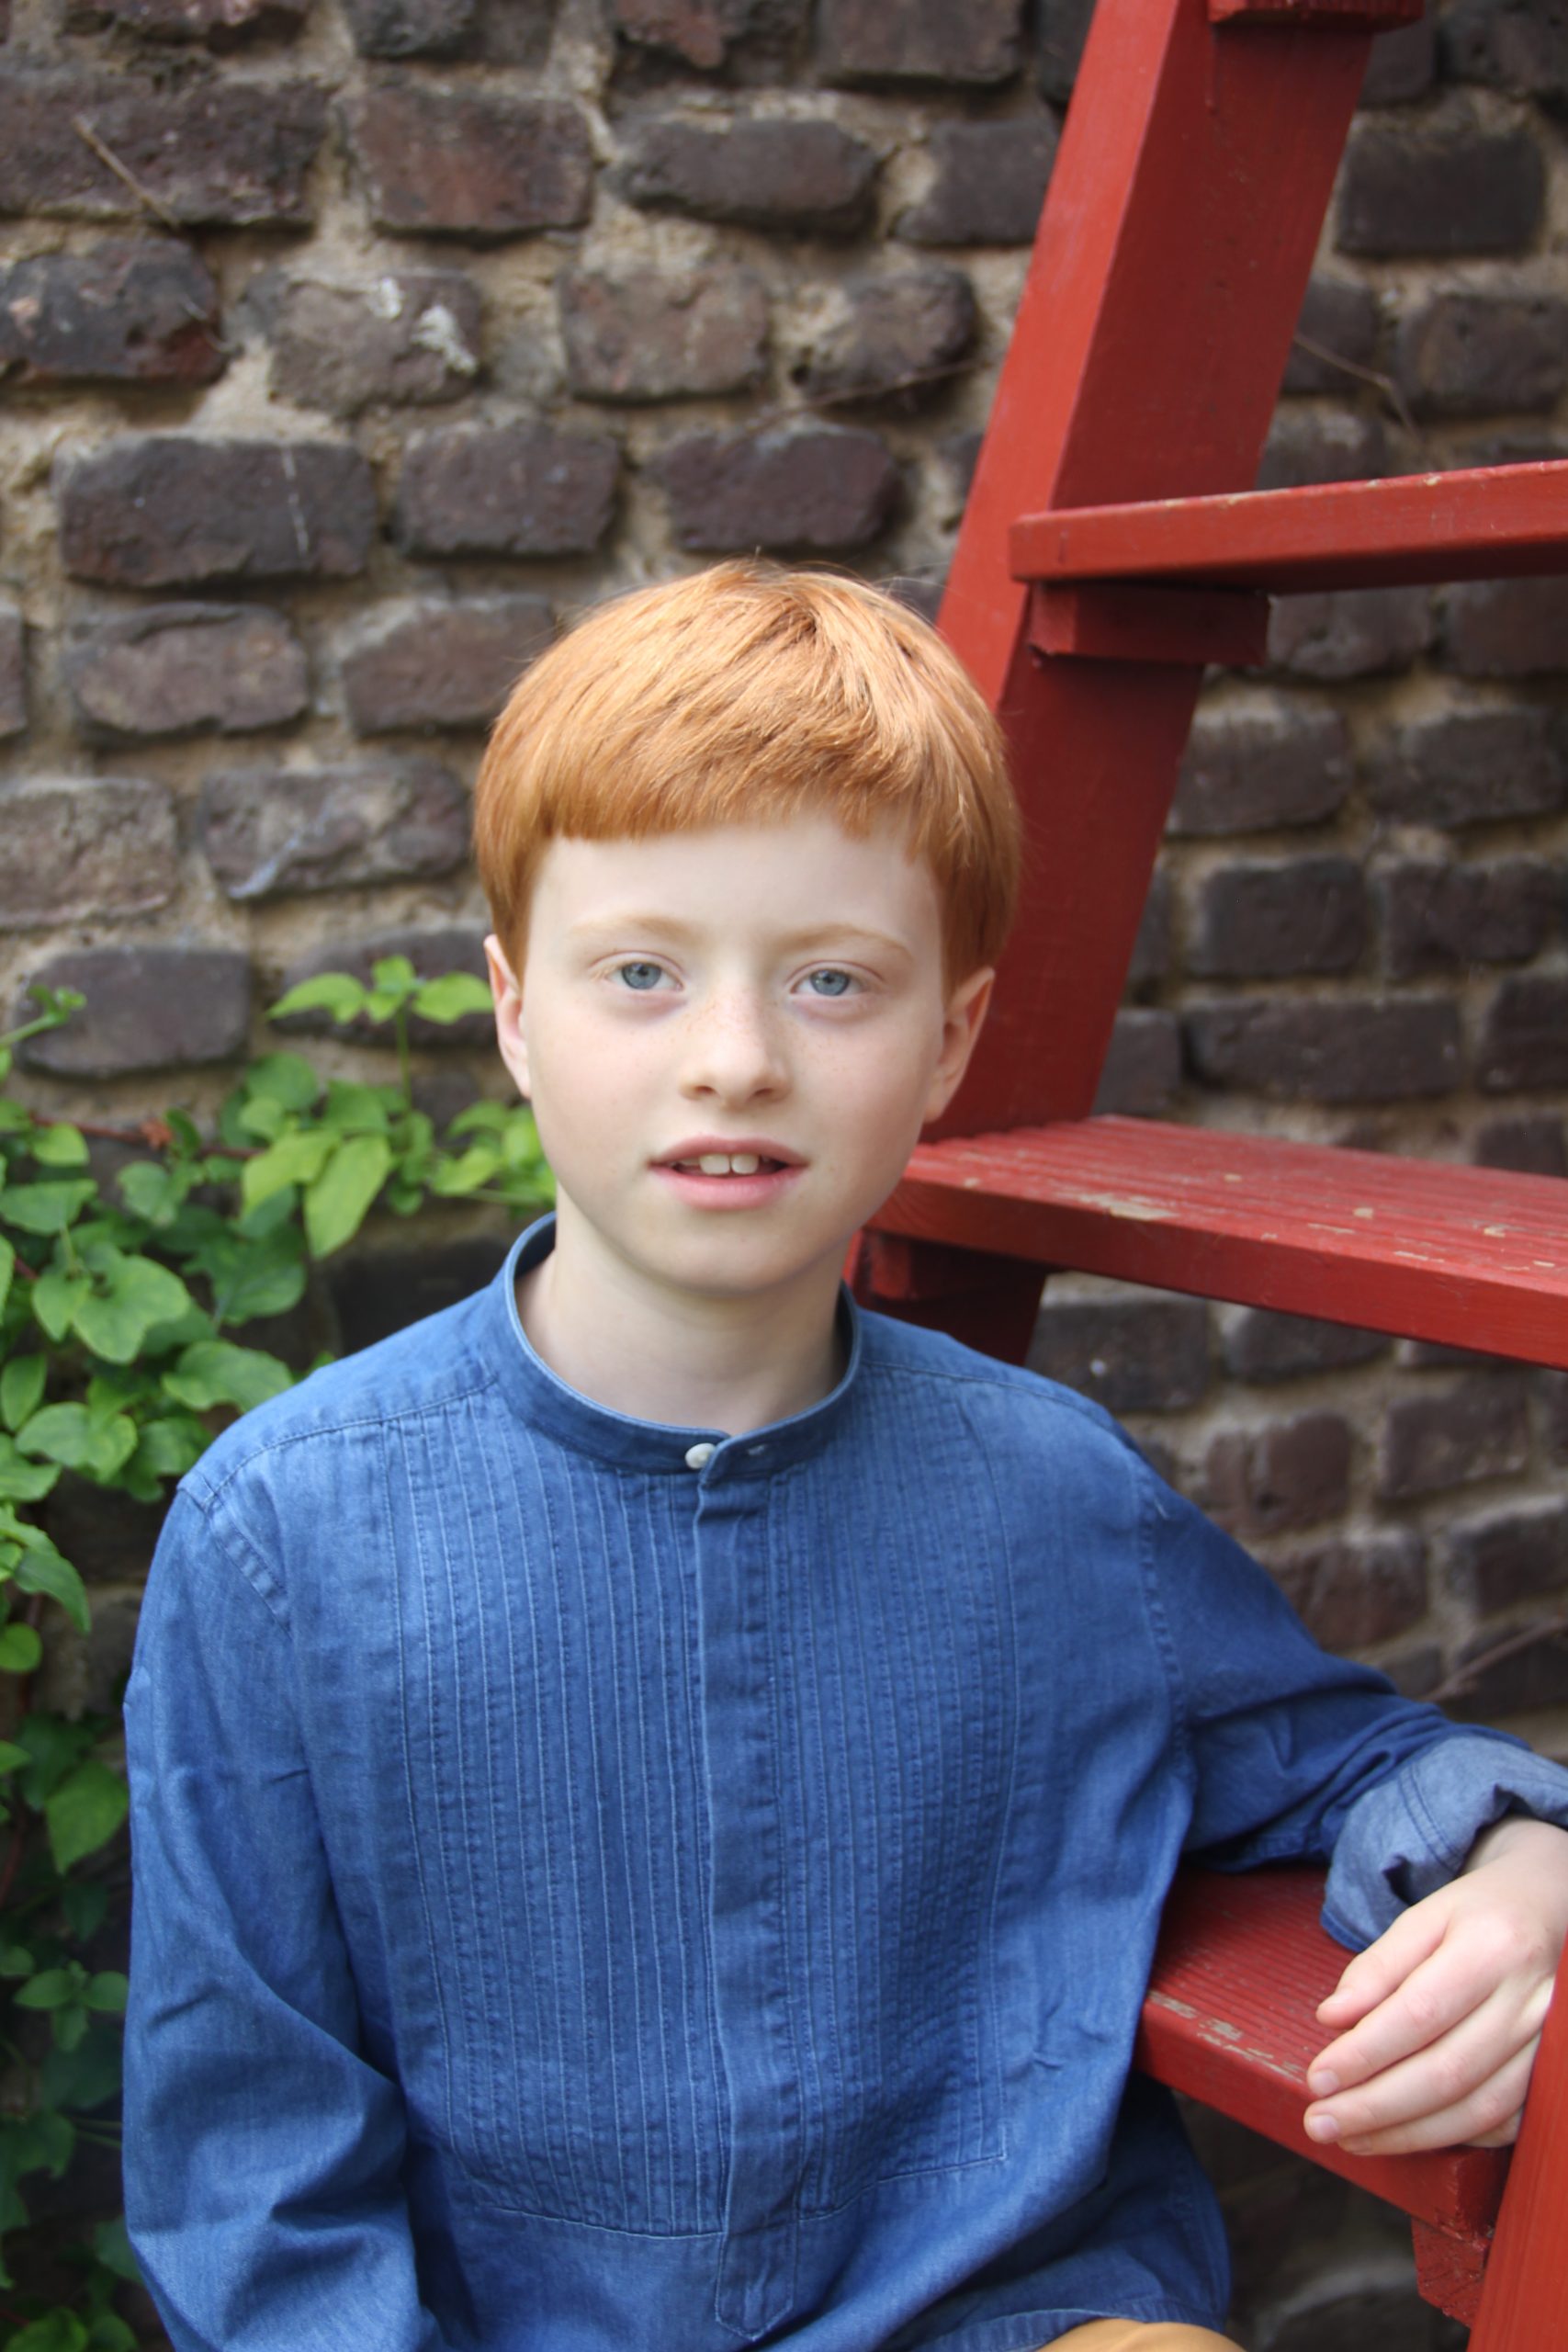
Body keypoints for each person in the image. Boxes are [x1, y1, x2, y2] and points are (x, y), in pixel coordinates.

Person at [122, 561, 1568, 2352]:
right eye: (640, 972)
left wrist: (1524, 1867)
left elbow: (1360, 1760)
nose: (734, 1060)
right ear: (513, 1011)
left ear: (948, 1038)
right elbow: (251, 2184)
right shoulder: (282, 1535)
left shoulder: (1056, 1500)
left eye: (830, 980)